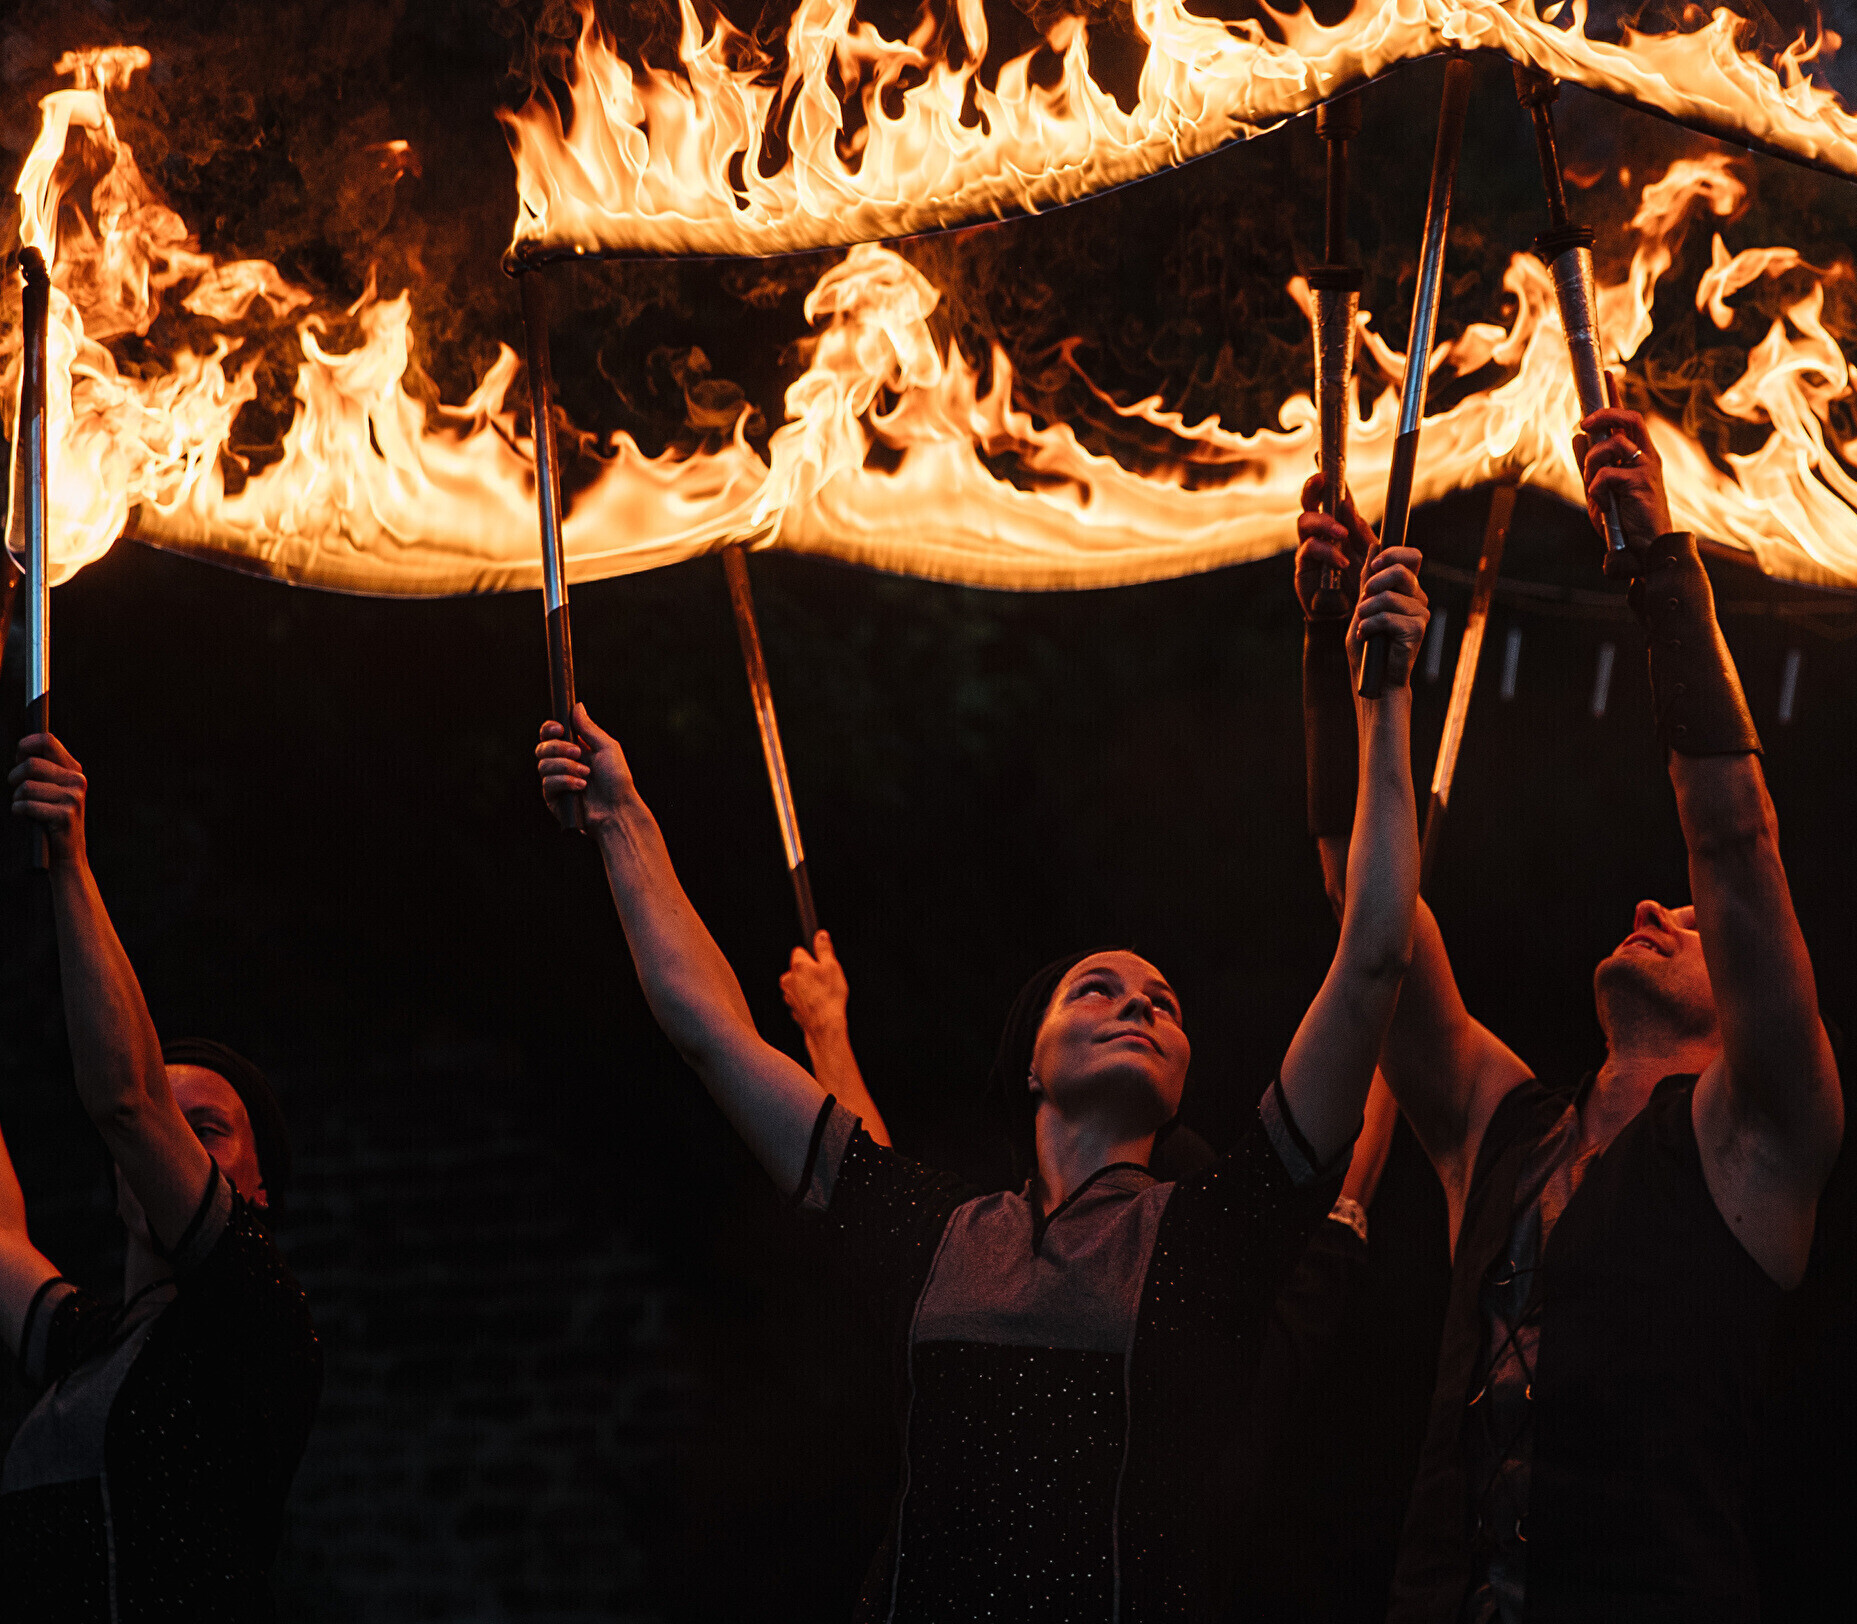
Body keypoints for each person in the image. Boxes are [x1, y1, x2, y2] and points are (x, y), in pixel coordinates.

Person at [534, 544, 1434, 1622]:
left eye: (1164, 1002)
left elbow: (1373, 957)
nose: (1142, 1004)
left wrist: (1383, 693)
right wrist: (623, 820)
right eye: (1098, 988)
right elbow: (710, 1032)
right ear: (1031, 1064)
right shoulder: (941, 1238)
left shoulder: (1216, 1236)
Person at [1297, 408, 1845, 1623]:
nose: (1657, 904)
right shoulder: (1499, 1124)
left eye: (1689, 925)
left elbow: (1735, 840)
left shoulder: (1761, 1134)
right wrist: (1342, 661)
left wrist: (1663, 573)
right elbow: (1364, 911)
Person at [777, 928, 1409, 1621]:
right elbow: (881, 1202)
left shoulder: (1222, 1272)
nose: (1138, 1008)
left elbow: (1340, 1172)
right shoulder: (979, 1256)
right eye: (1096, 991)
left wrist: (1379, 979)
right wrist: (826, 1028)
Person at [0, 733, 321, 1620]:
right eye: (171, 1128)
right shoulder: (90, 1346)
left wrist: (70, 865)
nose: (175, 1145)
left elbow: (127, 1099)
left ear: (258, 1194)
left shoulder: (254, 1323)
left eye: (208, 1131)